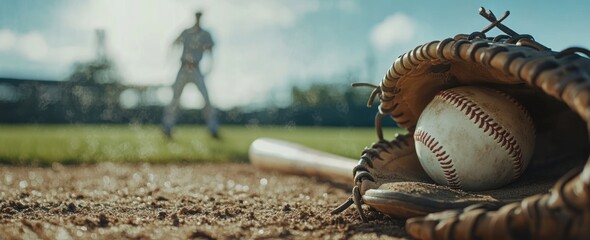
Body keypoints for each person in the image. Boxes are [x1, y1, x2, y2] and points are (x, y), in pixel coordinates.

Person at [162, 11, 219, 139]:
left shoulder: (205, 34)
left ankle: (213, 128)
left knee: (206, 99)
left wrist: (210, 68)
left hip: (196, 69)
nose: (198, 19)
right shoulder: (186, 32)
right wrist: (169, 60)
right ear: (194, 17)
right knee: (175, 99)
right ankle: (167, 128)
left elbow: (211, 52)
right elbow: (173, 43)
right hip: (183, 68)